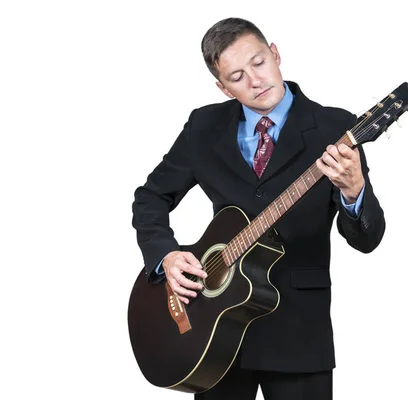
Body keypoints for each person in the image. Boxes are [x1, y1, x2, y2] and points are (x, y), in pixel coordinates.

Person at [131, 17, 385, 400]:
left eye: (259, 62)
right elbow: (151, 196)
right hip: (210, 334)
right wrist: (164, 256)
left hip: (298, 336)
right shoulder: (204, 126)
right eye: (236, 76)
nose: (255, 80)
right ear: (222, 87)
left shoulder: (334, 128)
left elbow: (367, 240)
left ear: (276, 54)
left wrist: (354, 190)